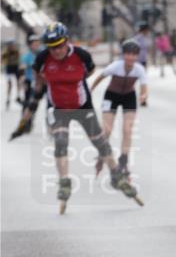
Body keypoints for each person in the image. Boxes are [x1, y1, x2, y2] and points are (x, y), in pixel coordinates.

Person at [25, 23, 139, 210]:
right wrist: (35, 98)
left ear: (67, 41)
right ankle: (64, 182)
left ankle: (116, 176)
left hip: (82, 106)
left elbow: (90, 71)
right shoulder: (42, 58)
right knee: (60, 142)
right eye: (52, 47)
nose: (57, 51)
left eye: (60, 45)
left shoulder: (81, 55)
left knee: (100, 143)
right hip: (58, 108)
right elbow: (38, 77)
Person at [89, 39, 148, 178]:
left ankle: (123, 161)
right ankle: (101, 155)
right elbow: (101, 77)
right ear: (123, 55)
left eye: (134, 55)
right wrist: (90, 89)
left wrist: (144, 95)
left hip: (129, 96)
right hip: (112, 96)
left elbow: (144, 86)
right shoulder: (116, 66)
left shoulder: (139, 69)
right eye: (128, 54)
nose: (131, 58)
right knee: (107, 130)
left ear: (137, 56)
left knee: (127, 130)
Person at [3, 39, 21, 108]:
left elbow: (19, 60)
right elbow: (2, 60)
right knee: (10, 85)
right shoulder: (6, 52)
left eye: (13, 45)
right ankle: (8, 98)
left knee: (18, 82)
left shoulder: (16, 52)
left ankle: (18, 95)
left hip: (15, 68)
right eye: (11, 45)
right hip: (9, 69)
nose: (12, 46)